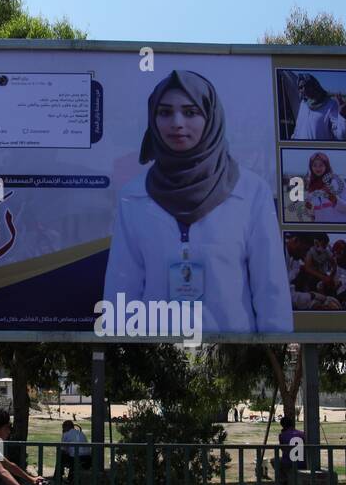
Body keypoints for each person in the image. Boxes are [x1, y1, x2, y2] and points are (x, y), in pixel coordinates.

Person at [103, 69, 293, 335]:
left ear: (211, 117)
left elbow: (271, 290)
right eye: (165, 112)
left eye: (191, 113)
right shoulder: (134, 196)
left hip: (234, 364)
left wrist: (271, 361)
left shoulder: (251, 192)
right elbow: (121, 293)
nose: (177, 123)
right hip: (156, 363)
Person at [291, 73, 346, 141]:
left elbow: (342, 137)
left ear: (314, 85)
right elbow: (297, 129)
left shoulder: (330, 104)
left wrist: (343, 116)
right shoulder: (303, 104)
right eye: (301, 87)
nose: (304, 89)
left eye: (307, 85)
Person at [300, 152, 346, 223]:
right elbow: (314, 214)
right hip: (321, 231)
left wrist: (335, 200)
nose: (318, 168)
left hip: (339, 229)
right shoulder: (311, 186)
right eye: (314, 165)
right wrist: (309, 208)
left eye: (321, 165)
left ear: (326, 165)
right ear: (311, 167)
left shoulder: (336, 181)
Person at [273, 414, 306, 483]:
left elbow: (283, 449)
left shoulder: (282, 435)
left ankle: (284, 479)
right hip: (303, 462)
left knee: (274, 460)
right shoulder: (302, 433)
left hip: (289, 462)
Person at [58, 419, 92, 485]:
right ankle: (69, 478)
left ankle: (58, 477)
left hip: (75, 458)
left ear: (65, 427)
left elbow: (63, 449)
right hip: (88, 458)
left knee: (60, 456)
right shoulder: (81, 433)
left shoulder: (66, 434)